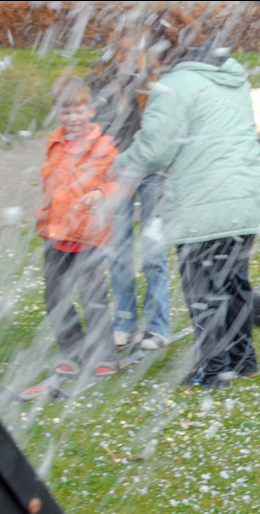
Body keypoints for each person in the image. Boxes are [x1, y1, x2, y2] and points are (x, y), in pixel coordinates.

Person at [113, 19, 260, 389]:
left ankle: (212, 371)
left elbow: (155, 148)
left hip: (204, 203)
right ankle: (243, 360)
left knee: (204, 291)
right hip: (244, 200)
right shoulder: (232, 76)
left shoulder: (177, 84)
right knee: (233, 283)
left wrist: (114, 168)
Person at [89, 30, 171, 353]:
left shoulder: (153, 79)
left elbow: (161, 128)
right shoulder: (101, 79)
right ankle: (124, 323)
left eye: (129, 51)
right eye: (119, 51)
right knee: (119, 250)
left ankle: (157, 325)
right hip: (118, 171)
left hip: (150, 170)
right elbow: (98, 127)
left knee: (152, 250)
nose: (124, 58)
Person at [36, 76, 118, 380]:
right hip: (56, 234)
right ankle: (73, 352)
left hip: (89, 236)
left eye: (78, 111)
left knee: (93, 298)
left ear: (91, 111)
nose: (72, 118)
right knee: (55, 298)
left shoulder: (104, 147)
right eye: (66, 112)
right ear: (58, 113)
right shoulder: (54, 144)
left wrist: (101, 194)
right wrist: (44, 215)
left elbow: (119, 182)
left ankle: (103, 355)